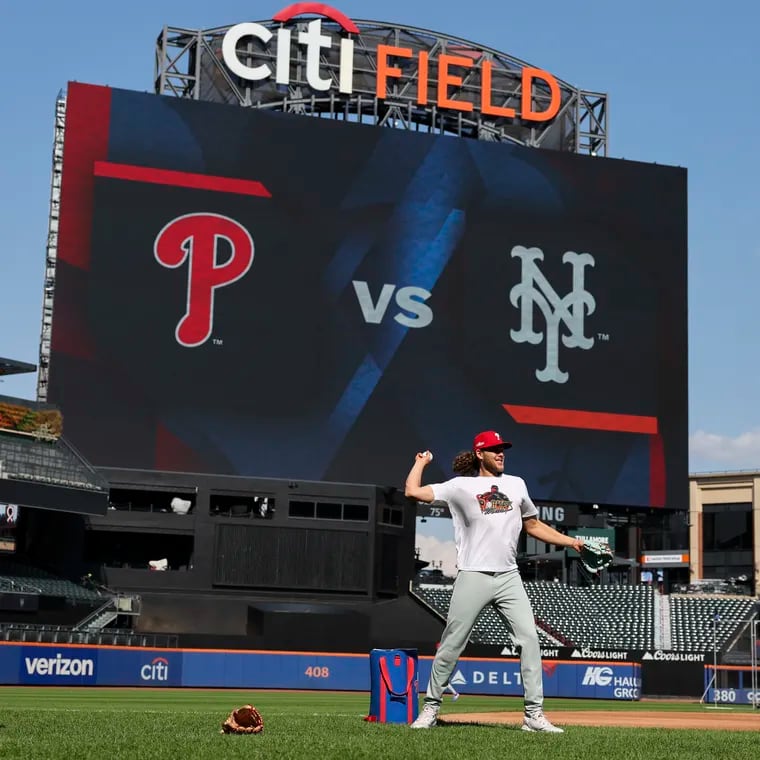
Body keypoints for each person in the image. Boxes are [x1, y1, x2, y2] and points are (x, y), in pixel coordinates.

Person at [405, 430, 584, 733]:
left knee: (529, 640)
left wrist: (571, 542)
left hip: (508, 576)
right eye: (494, 449)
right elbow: (413, 491)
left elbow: (534, 525)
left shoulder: (516, 484)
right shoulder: (461, 485)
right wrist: (421, 462)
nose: (501, 453)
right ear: (480, 453)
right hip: (473, 574)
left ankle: (533, 715)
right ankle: (431, 708)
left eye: (503, 449)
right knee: (453, 642)